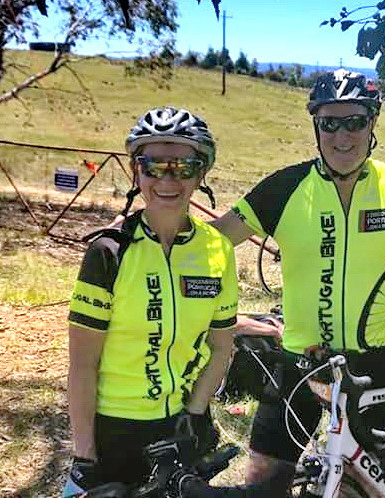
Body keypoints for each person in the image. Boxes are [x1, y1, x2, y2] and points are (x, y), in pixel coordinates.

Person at [207, 69, 385, 489]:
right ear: (315, 126)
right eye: (329, 123)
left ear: (372, 124)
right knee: (265, 478)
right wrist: (223, 314)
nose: (342, 136)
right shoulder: (286, 187)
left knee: (361, 482)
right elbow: (212, 242)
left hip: (372, 360)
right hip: (299, 358)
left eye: (354, 121)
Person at [64, 107, 237, 496]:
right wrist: (84, 457)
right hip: (112, 430)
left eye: (184, 166)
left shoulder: (218, 250)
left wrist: (193, 415)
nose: (168, 179)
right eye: (154, 166)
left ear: (202, 173)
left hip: (178, 426)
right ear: (135, 171)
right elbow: (82, 365)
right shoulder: (109, 252)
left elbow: (222, 346)